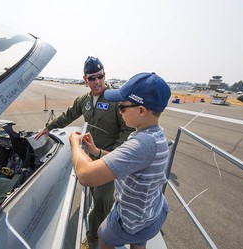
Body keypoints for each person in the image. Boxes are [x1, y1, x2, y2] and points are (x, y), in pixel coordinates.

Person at [35, 56, 134, 249]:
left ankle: (93, 238)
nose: (97, 81)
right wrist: (49, 127)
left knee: (101, 199)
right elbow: (69, 115)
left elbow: (128, 129)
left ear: (104, 75)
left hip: (108, 157)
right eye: (92, 78)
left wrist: (114, 154)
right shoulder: (84, 100)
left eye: (100, 76)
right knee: (94, 193)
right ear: (85, 79)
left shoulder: (116, 99)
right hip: (90, 156)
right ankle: (101, 222)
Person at [69, 72, 171, 249]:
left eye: (121, 107)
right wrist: (96, 151)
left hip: (132, 218)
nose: (119, 111)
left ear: (141, 110)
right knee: (138, 243)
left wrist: (74, 144)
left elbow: (85, 175)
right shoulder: (152, 133)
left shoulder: (142, 143)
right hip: (150, 210)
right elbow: (127, 161)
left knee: (104, 235)